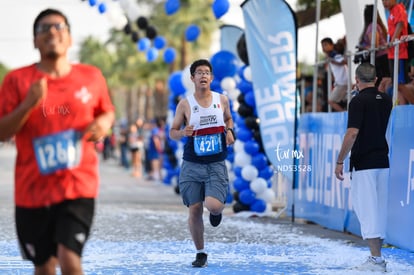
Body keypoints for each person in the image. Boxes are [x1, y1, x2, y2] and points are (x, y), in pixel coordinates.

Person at [0, 9, 115, 275]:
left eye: (59, 26)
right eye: (43, 28)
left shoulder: (91, 76)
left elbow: (107, 110)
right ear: (34, 41)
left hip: (77, 186)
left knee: (69, 258)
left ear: (70, 38)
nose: (52, 31)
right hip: (32, 191)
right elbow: (3, 132)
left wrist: (104, 124)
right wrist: (28, 104)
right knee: (44, 266)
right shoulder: (17, 81)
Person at [169, 59, 235, 267]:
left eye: (207, 72)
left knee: (213, 206)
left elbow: (229, 119)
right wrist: (182, 132)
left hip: (215, 163)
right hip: (192, 163)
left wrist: (230, 131)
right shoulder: (185, 103)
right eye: (199, 72)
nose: (203, 75)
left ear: (212, 78)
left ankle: (217, 212)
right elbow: (172, 132)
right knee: (195, 209)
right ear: (192, 78)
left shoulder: (222, 99)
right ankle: (201, 253)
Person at [335, 63, 392, 272]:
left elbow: (352, 133)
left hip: (364, 162)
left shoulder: (358, 101)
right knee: (377, 211)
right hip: (382, 161)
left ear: (356, 80)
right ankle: (377, 258)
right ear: (376, 79)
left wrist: (340, 160)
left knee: (367, 211)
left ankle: (376, 261)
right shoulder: (386, 100)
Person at [357, 4, 391, 92]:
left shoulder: (372, 26)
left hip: (381, 58)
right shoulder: (377, 25)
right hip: (384, 56)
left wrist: (363, 48)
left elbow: (374, 45)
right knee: (384, 82)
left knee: (382, 82)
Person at [383, 0, 409, 86]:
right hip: (392, 53)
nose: (384, 2)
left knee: (401, 84)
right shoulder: (391, 12)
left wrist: (391, 42)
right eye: (382, 0)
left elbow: (400, 24)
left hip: (400, 52)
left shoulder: (398, 8)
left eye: (386, 0)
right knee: (395, 83)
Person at [321, 37, 349, 112]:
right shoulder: (331, 55)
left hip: (342, 82)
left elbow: (344, 61)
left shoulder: (334, 54)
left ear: (332, 45)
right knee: (344, 99)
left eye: (326, 45)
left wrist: (333, 61)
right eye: (323, 46)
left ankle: (345, 114)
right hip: (341, 81)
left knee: (331, 101)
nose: (324, 47)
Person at [146, 116, 166, 181]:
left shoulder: (155, 130)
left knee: (155, 162)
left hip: (155, 150)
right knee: (155, 162)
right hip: (154, 149)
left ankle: (156, 176)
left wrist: (158, 148)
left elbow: (156, 140)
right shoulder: (156, 130)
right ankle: (157, 175)